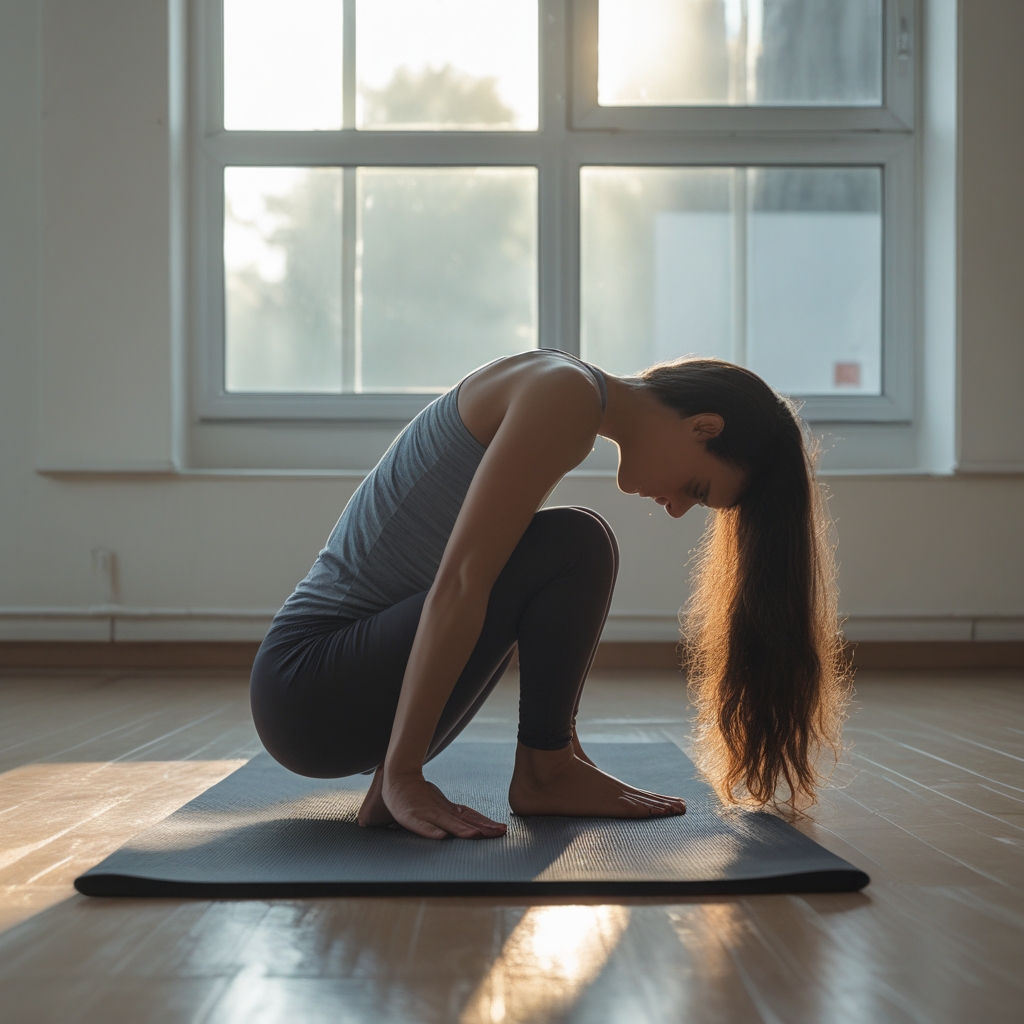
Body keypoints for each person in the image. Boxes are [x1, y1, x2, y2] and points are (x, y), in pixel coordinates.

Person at [250, 349, 848, 840]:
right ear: (704, 427)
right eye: (695, 487)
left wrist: (396, 765)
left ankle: (549, 764)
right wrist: (403, 772)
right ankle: (545, 768)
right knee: (574, 543)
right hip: (306, 684)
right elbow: (461, 582)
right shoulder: (566, 396)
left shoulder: (565, 388)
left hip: (334, 694)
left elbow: (469, 583)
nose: (675, 509)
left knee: (571, 544)